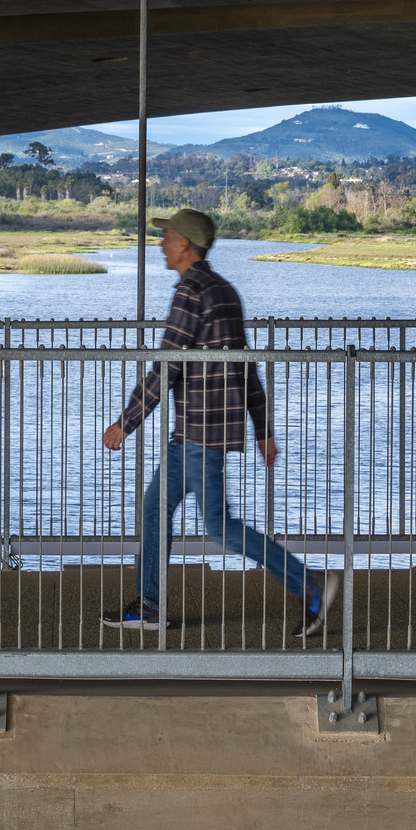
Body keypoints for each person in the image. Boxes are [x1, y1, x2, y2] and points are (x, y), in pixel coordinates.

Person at [100, 208, 329, 636]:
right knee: (154, 509)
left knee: (219, 526)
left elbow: (166, 367)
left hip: (199, 436)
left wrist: (124, 424)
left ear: (185, 243)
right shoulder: (225, 290)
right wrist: (262, 429)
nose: (161, 244)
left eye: (166, 236)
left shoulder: (191, 290)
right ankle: (149, 606)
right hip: (191, 434)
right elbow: (247, 369)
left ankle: (309, 583)